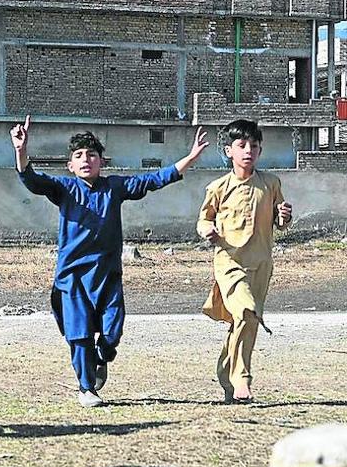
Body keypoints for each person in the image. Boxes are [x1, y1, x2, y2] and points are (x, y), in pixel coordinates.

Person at [11, 116, 210, 407]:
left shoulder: (114, 187)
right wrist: (20, 149)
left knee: (112, 331)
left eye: (92, 155)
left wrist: (190, 158)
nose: (85, 159)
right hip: (72, 277)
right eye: (78, 156)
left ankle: (102, 356)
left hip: (107, 274)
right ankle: (86, 388)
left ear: (102, 161)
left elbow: (153, 180)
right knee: (79, 333)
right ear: (70, 165)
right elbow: (31, 179)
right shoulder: (63, 189)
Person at [196, 119, 292, 402]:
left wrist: (284, 217)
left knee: (244, 321)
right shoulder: (218, 187)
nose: (248, 150)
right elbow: (204, 219)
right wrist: (207, 230)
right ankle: (242, 379)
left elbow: (280, 220)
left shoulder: (271, 184)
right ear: (229, 151)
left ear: (260, 151)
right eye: (241, 145)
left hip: (261, 264)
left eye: (254, 146)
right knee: (247, 313)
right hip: (229, 263)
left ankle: (226, 369)